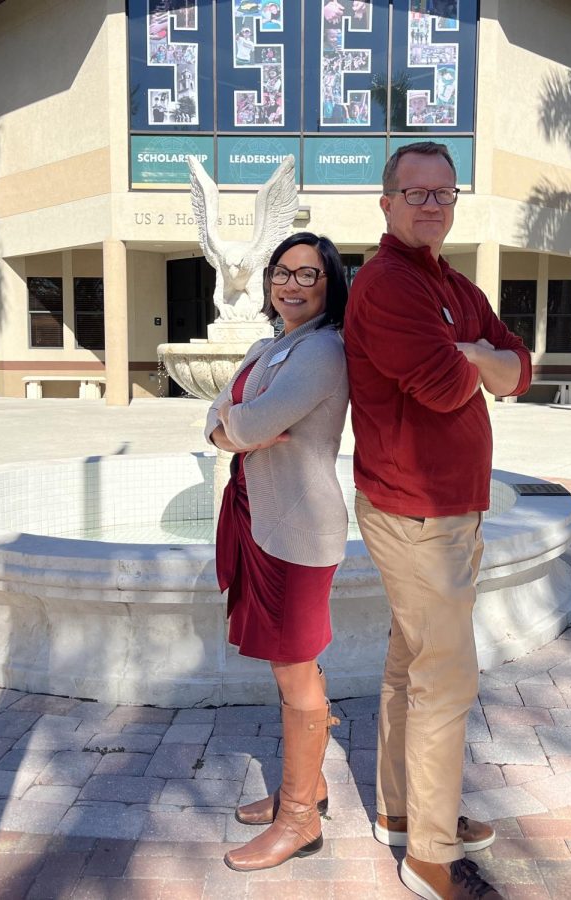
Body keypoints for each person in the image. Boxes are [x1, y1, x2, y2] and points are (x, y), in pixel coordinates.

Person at [343, 142, 531, 900]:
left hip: (448, 509)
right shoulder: (388, 283)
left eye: (444, 193)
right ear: (386, 202)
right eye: (415, 193)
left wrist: (478, 351)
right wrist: (477, 356)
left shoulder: (452, 282)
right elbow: (447, 387)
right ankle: (428, 855)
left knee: (409, 666)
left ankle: (405, 810)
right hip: (415, 510)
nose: (431, 205)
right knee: (446, 680)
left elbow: (520, 369)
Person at [207, 232, 351, 873]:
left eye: (309, 274)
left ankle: (300, 820)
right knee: (293, 664)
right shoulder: (269, 347)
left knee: (295, 671)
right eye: (283, 272)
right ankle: (309, 787)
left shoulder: (323, 351)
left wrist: (233, 424)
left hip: (297, 529)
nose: (292, 284)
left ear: (330, 284)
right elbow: (223, 414)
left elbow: (250, 425)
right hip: (262, 518)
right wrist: (229, 424)